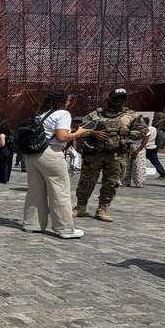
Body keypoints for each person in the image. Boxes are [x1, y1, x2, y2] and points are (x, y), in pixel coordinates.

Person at [23, 90, 105, 239]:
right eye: (68, 100)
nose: (69, 102)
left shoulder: (40, 115)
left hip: (32, 154)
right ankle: (64, 228)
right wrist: (80, 132)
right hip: (51, 153)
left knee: (35, 191)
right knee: (59, 191)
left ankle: (32, 224)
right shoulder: (63, 114)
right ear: (63, 101)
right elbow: (62, 137)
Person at [74, 88, 147, 222]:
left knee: (111, 183)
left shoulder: (132, 116)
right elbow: (80, 130)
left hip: (116, 155)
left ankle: (103, 208)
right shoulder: (95, 114)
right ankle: (80, 207)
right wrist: (93, 133)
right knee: (86, 181)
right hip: (94, 154)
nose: (119, 101)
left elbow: (142, 132)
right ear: (109, 100)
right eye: (116, 98)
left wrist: (127, 132)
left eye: (122, 98)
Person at [121, 117, 149, 188]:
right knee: (126, 166)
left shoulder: (146, 131)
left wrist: (137, 151)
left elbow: (144, 143)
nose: (136, 125)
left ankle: (139, 183)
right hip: (128, 148)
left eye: (138, 123)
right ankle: (125, 182)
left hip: (139, 149)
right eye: (135, 123)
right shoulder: (129, 130)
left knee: (138, 166)